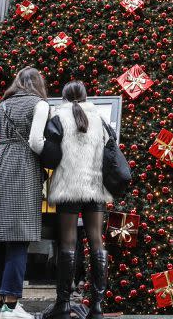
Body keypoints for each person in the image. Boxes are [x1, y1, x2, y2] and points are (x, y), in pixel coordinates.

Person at [0, 67, 51, 319]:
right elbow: (37, 142)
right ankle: (11, 306)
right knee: (18, 238)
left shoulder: (2, 106)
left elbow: (0, 136)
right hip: (22, 166)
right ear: (38, 84)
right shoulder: (39, 104)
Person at [43, 81, 112, 319]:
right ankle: (97, 306)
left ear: (63, 97)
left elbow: (50, 158)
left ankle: (63, 304)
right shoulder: (99, 120)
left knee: (68, 243)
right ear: (85, 97)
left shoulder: (57, 119)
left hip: (68, 188)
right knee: (97, 241)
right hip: (95, 187)